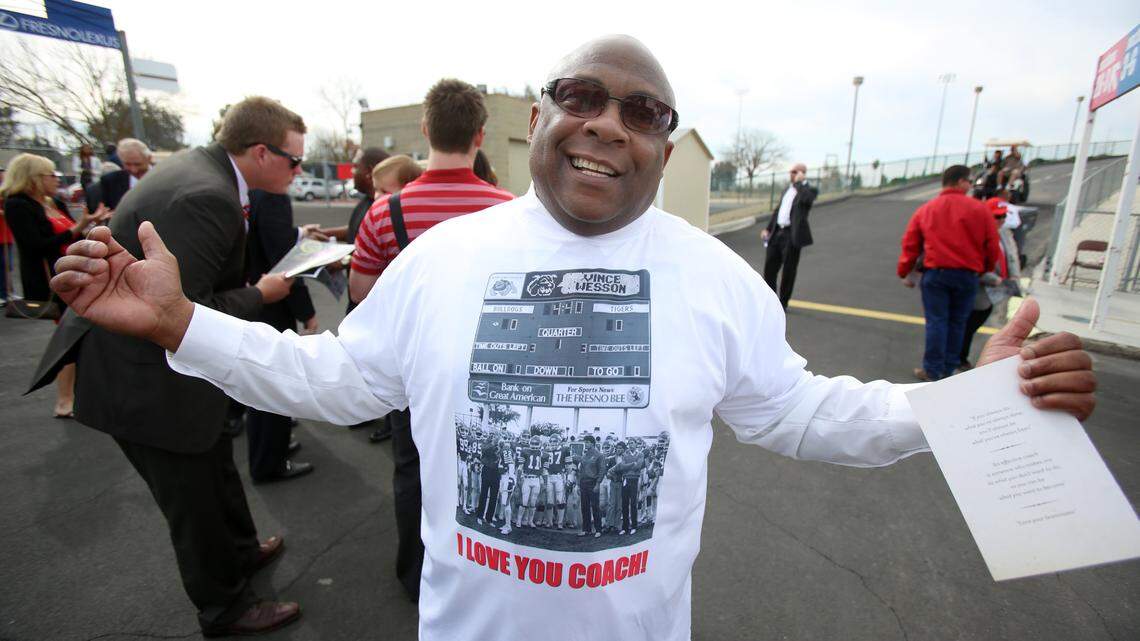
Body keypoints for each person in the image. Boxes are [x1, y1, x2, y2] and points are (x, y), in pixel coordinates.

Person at [50, 37, 1097, 641]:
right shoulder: (446, 259)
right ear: (540, 118)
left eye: (642, 111)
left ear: (664, 142)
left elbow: (813, 412)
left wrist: (971, 401)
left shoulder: (713, 281)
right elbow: (334, 379)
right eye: (581, 97)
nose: (607, 123)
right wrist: (183, 322)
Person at [30, 97, 303, 637]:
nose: (298, 171)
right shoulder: (208, 196)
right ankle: (224, 607)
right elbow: (179, 312)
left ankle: (242, 552)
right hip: (145, 381)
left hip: (167, 374)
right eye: (295, 161)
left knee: (216, 468)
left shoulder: (204, 173)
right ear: (260, 152)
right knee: (193, 501)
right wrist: (261, 293)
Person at [348, 78, 512, 599]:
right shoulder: (508, 210)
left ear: (425, 130)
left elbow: (361, 292)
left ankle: (415, 575)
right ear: (480, 135)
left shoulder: (385, 212)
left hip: (413, 371)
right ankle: (484, 571)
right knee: (483, 468)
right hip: (488, 371)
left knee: (412, 472)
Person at [3, 154, 107, 417]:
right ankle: (64, 399)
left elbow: (73, 236)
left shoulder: (53, 202)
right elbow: (35, 245)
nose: (56, 180)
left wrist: (91, 224)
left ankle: (79, 393)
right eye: (51, 175)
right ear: (34, 177)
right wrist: (78, 228)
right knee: (69, 338)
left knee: (83, 335)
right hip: (55, 282)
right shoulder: (18, 205)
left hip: (79, 274)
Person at [898, 165, 1003, 382]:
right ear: (959, 182)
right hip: (967, 276)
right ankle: (950, 370)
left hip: (936, 274)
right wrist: (983, 269)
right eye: (969, 180)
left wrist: (904, 271)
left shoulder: (927, 209)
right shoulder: (980, 210)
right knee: (958, 322)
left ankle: (933, 370)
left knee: (937, 322)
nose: (971, 184)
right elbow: (992, 245)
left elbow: (910, 244)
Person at [244, 188, 318, 483]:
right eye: (292, 161)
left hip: (250, 297)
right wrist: (305, 309)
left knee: (259, 382)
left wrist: (298, 233)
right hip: (270, 303)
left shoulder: (247, 192)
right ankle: (271, 461)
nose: (296, 172)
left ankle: (271, 449)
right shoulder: (272, 195)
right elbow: (285, 261)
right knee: (274, 382)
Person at [761, 162, 818, 309]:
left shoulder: (809, 190)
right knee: (769, 268)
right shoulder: (787, 190)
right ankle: (770, 301)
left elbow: (807, 200)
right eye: (791, 172)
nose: (791, 174)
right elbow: (778, 211)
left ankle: (783, 303)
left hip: (791, 235)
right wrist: (768, 229)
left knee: (789, 270)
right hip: (777, 232)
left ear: (802, 173)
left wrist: (800, 183)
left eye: (794, 172)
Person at [97, 138, 152, 210]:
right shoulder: (110, 181)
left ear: (149, 159)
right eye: (127, 164)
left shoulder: (164, 178)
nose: (134, 170)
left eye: (138, 164)